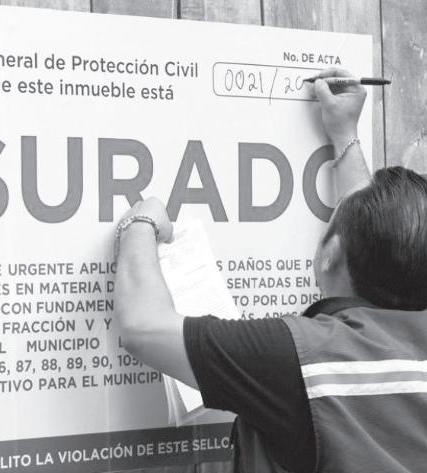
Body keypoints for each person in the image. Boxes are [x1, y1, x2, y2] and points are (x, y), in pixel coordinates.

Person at [113, 67, 427, 473]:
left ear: (331, 253)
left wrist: (141, 224)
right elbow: (378, 230)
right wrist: (345, 133)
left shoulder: (304, 361)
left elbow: (142, 327)